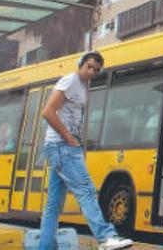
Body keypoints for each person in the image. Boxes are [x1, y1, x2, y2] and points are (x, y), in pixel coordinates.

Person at [39, 52, 132, 250]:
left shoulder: (81, 86)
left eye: (96, 70)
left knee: (54, 204)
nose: (92, 72)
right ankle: (106, 237)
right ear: (80, 64)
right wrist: (69, 138)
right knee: (87, 190)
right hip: (62, 146)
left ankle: (45, 246)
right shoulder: (70, 81)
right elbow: (48, 112)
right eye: (89, 67)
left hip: (61, 146)